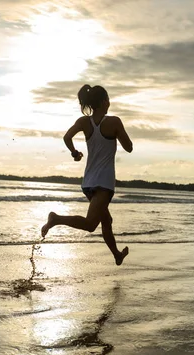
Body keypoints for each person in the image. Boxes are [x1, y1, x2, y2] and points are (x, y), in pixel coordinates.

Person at [41, 84, 133, 265]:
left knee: (107, 220)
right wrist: (118, 135)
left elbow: (67, 137)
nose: (109, 102)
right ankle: (55, 219)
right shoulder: (114, 122)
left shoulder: (84, 122)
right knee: (91, 224)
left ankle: (116, 254)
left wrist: (75, 153)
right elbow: (129, 147)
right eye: (108, 99)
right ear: (103, 101)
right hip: (104, 184)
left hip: (88, 182)